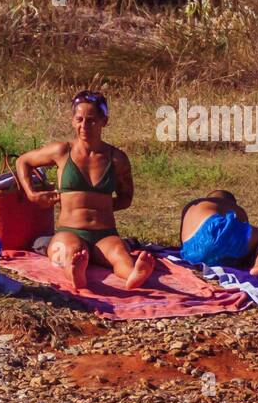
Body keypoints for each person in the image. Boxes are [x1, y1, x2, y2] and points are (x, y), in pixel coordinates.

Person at [14, 91, 155, 291]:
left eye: (91, 120)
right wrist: (31, 194)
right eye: (79, 120)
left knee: (119, 253)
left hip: (105, 233)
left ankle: (133, 274)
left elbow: (126, 198)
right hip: (70, 231)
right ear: (73, 121)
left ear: (104, 121)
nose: (84, 126)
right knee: (67, 251)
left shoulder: (117, 159)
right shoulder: (62, 151)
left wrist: (99, 206)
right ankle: (75, 272)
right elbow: (23, 161)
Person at [178, 190, 258, 278]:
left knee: (230, 250)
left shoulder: (191, 207)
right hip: (215, 229)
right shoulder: (233, 207)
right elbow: (243, 232)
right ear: (230, 202)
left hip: (192, 253)